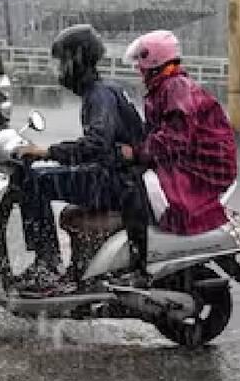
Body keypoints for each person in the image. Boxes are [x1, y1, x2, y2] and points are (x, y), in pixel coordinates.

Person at [15, 24, 145, 295]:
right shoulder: (104, 90)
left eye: (62, 62)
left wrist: (47, 152)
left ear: (77, 60)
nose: (59, 71)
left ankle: (46, 264)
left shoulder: (99, 95)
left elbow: (96, 144)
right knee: (42, 178)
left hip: (116, 182)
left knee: (34, 182)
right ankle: (53, 264)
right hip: (121, 177)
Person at [119, 30, 237, 277]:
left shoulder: (175, 87)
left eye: (141, 62)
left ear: (153, 61)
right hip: (192, 163)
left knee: (135, 189)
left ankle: (139, 265)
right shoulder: (167, 86)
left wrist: (136, 152)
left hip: (201, 170)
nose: (138, 69)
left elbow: (174, 138)